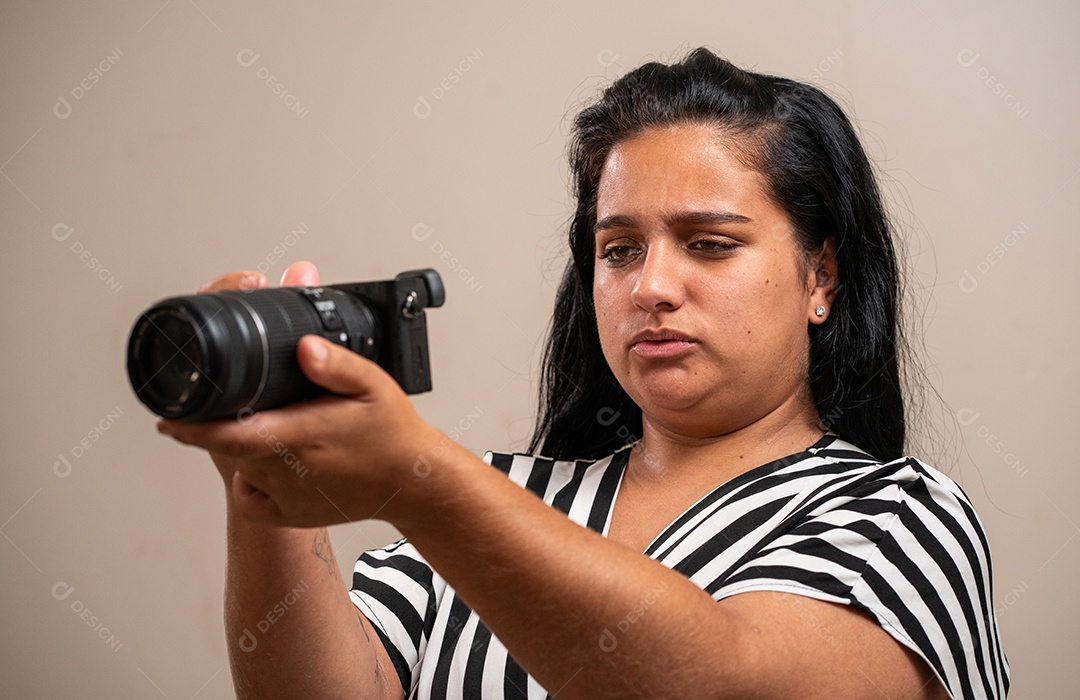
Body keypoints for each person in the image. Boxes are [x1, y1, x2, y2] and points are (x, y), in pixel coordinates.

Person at [159, 48, 1008, 699]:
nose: (651, 286)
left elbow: (726, 680)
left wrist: (419, 482)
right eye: (619, 250)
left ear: (820, 276)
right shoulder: (499, 498)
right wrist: (262, 474)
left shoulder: (900, 517)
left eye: (710, 244)